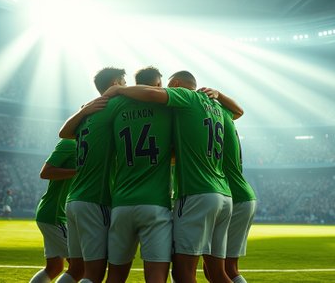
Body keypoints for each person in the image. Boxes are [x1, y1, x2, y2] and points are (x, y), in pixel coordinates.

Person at [103, 70, 243, 283]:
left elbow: (152, 95)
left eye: (167, 85)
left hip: (195, 193)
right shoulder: (215, 107)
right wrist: (220, 94)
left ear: (176, 84)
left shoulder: (184, 98)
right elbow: (238, 112)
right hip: (223, 195)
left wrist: (119, 89)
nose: (164, 90)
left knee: (183, 273)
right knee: (218, 273)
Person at [104, 67, 173, 283]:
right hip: (155, 204)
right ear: (158, 85)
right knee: (156, 278)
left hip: (121, 203)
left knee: (114, 278)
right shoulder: (167, 107)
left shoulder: (115, 105)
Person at [58, 67, 124, 283]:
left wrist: (83, 111)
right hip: (96, 200)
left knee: (75, 270)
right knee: (94, 274)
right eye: (123, 81)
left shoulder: (89, 112)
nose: (126, 86)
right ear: (115, 82)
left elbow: (63, 133)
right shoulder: (113, 106)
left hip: (75, 199)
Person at [30, 139, 83, 283]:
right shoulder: (69, 143)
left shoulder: (86, 147)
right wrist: (78, 172)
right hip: (54, 215)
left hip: (54, 213)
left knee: (54, 267)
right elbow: (45, 172)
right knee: (80, 267)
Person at [215, 108, 256, 283]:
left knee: (225, 270)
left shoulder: (213, 119)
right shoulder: (226, 118)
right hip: (242, 194)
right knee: (223, 270)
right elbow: (238, 110)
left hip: (234, 196)